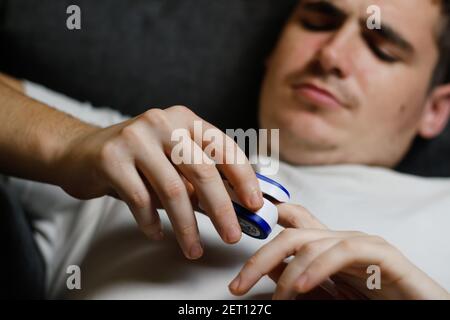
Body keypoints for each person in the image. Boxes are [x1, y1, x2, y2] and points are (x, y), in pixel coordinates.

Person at [2, 0, 450, 299]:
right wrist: (72, 144)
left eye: (381, 48)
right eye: (317, 23)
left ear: (436, 109)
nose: (331, 54)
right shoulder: (130, 146)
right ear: (273, 53)